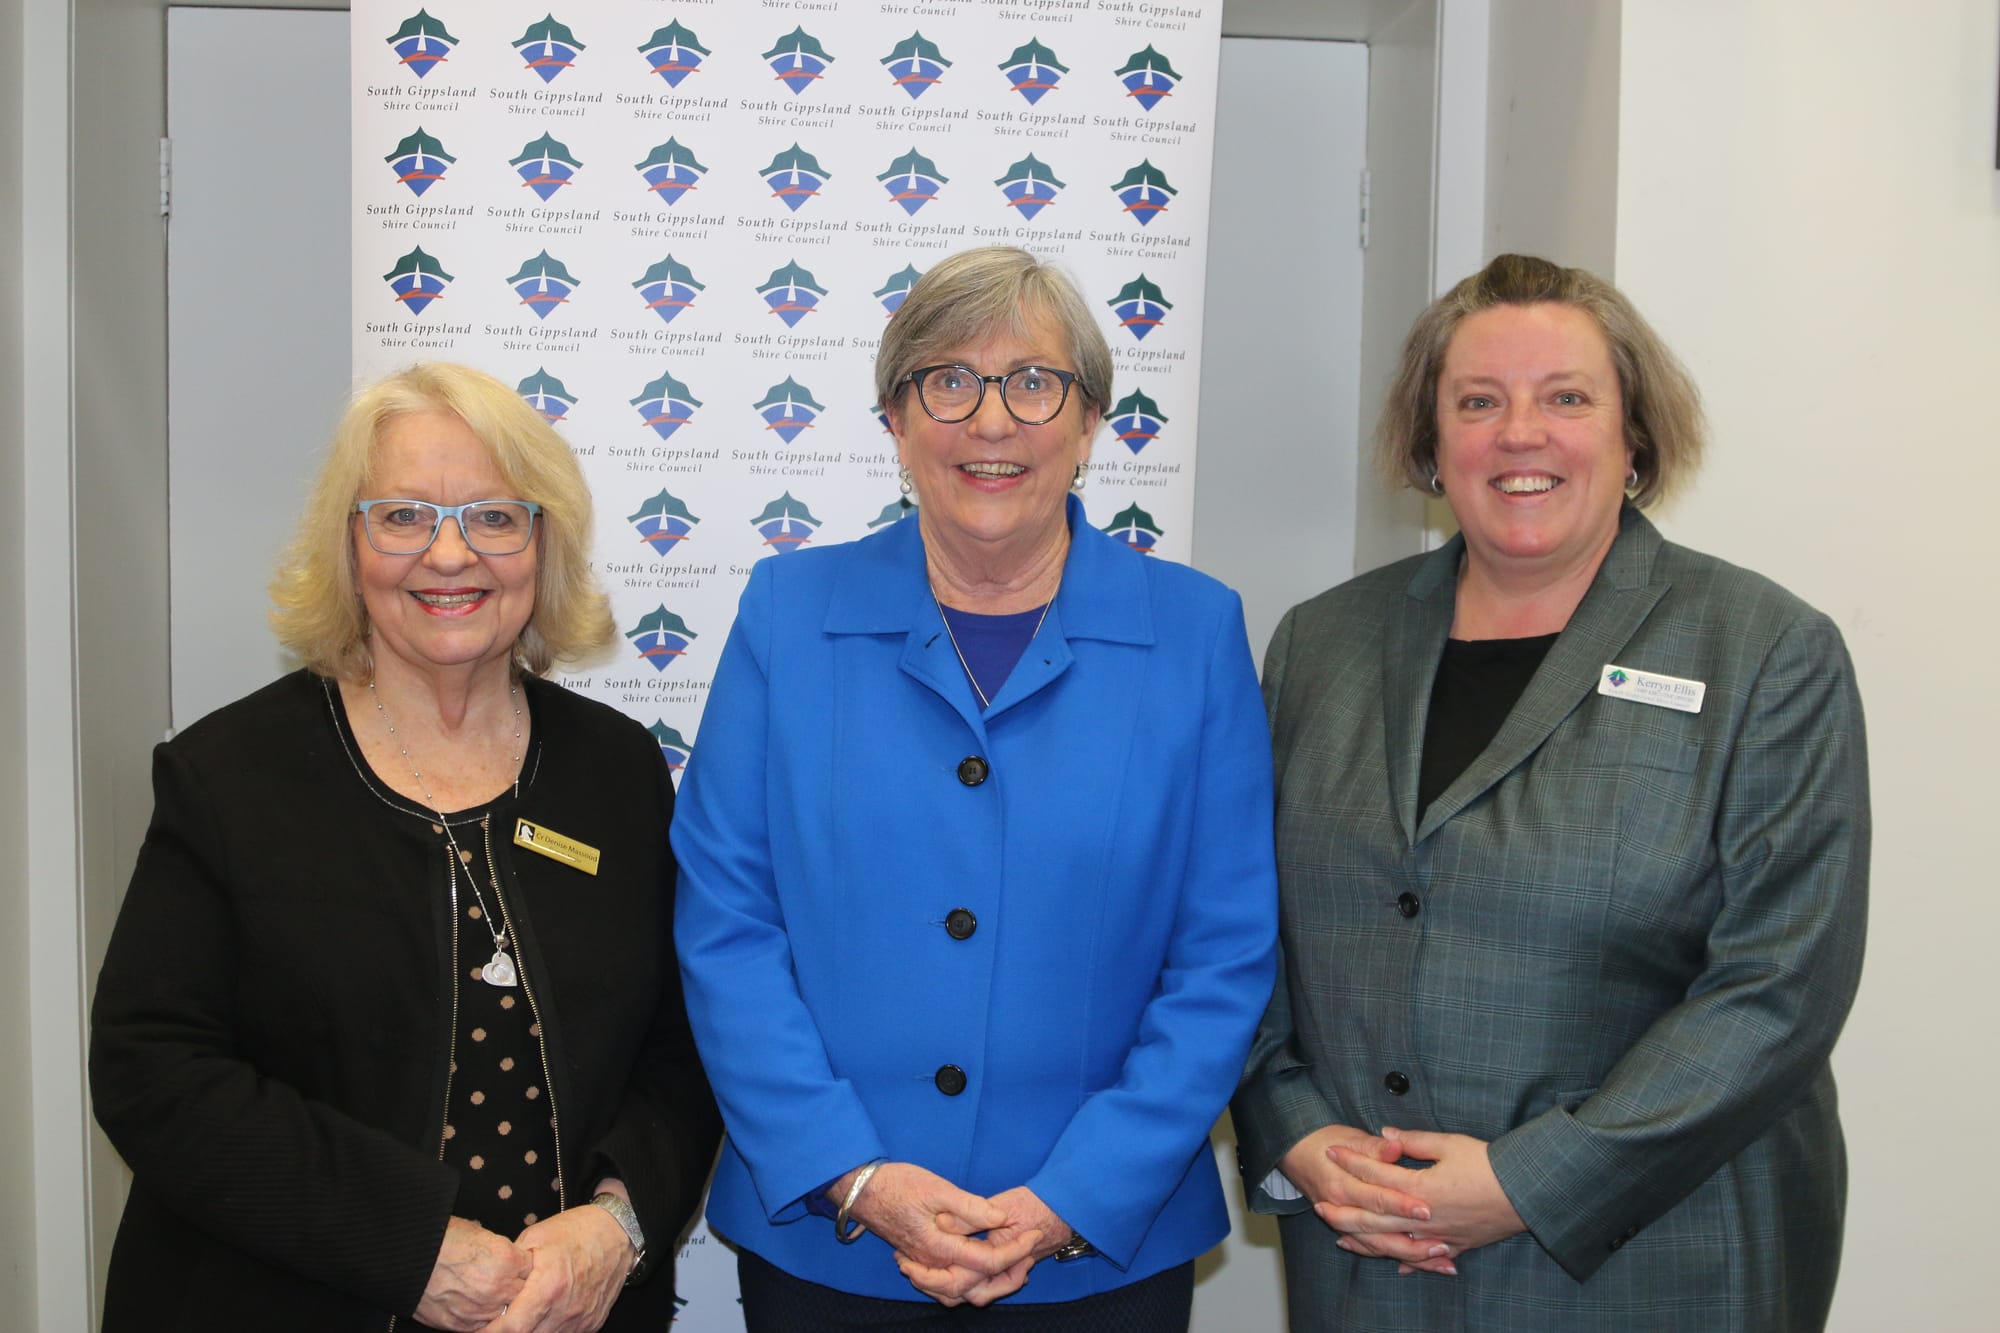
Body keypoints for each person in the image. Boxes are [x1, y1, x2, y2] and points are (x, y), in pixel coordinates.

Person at [1232, 253, 1869, 1330]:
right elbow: (1237, 929)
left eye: (1564, 398)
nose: (1518, 433)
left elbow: (1776, 988)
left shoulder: (1764, 651)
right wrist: (1291, 1126)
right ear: (1432, 446)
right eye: (1476, 402)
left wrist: (1532, 1179)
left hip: (1654, 1260)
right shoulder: (1320, 647)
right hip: (1369, 1256)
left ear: (1634, 437)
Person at [672, 245, 1277, 1329]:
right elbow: (726, 923)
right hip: (832, 1244)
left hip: (1096, 1255)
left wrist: (1069, 1199)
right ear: (895, 422)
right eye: (946, 382)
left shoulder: (1193, 632)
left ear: (1089, 422)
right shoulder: (786, 614)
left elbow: (1224, 952)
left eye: (1032, 383)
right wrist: (853, 1174)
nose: (990, 422)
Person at [89, 362, 721, 1332]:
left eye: (494, 517)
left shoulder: (615, 772)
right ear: (348, 544)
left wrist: (619, 1223)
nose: (449, 555)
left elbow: (684, 1049)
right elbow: (151, 1069)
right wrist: (407, 1242)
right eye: (402, 517)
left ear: (541, 544)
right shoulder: (231, 776)